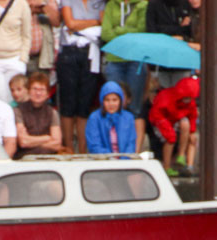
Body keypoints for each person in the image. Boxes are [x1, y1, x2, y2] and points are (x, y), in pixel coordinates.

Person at [56, 0, 103, 152]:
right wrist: (94, 22)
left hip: (90, 53)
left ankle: (82, 151)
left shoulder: (100, 2)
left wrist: (80, 25)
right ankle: (68, 149)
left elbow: (102, 23)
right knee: (68, 103)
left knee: (84, 104)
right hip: (69, 52)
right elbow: (70, 23)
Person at [102, 0, 148, 116]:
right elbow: (105, 33)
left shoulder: (143, 4)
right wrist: (129, 34)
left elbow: (141, 31)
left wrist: (118, 30)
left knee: (133, 106)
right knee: (113, 103)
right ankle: (114, 133)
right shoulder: (111, 5)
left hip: (135, 59)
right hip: (114, 59)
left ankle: (132, 133)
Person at [149, 75, 199, 177]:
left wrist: (192, 131)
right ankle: (167, 167)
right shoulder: (166, 98)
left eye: (190, 98)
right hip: (161, 120)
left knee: (191, 135)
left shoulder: (190, 102)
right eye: (186, 98)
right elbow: (156, 115)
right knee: (170, 138)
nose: (188, 100)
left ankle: (187, 164)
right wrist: (168, 131)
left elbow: (192, 116)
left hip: (176, 120)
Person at [15, 71, 61, 157]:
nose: (38, 93)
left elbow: (57, 144)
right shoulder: (18, 111)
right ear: (28, 91)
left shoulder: (52, 113)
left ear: (48, 94)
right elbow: (23, 142)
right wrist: (47, 138)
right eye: (35, 89)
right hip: (25, 159)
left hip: (48, 159)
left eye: (42, 90)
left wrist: (32, 142)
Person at [85, 80, 136, 154]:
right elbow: (94, 146)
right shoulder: (94, 118)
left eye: (115, 100)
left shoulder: (128, 118)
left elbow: (131, 145)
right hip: (102, 162)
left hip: (125, 162)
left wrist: (123, 160)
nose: (111, 104)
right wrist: (112, 159)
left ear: (120, 101)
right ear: (102, 101)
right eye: (107, 100)